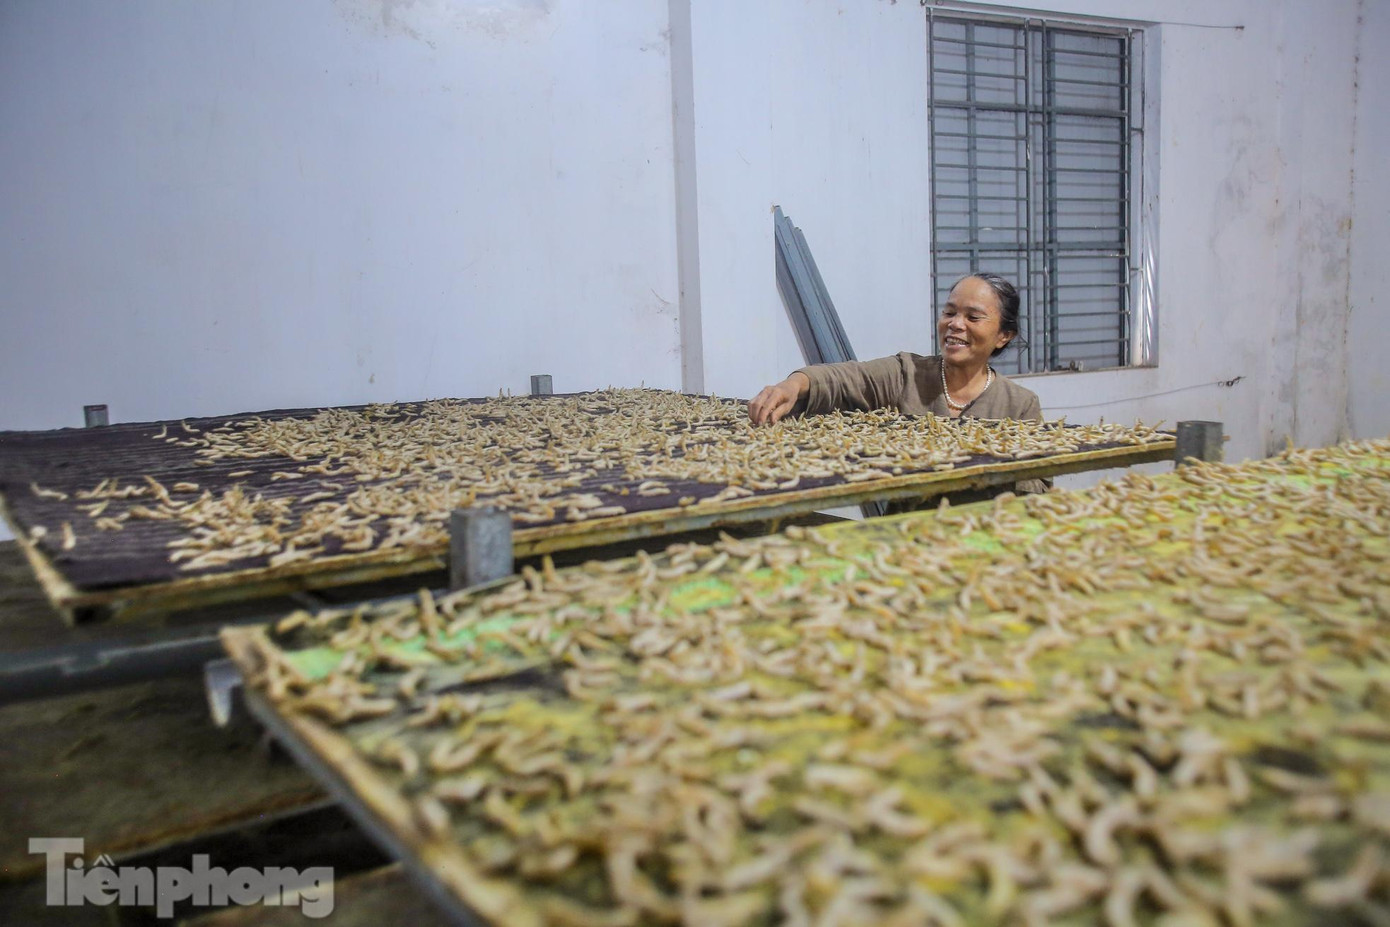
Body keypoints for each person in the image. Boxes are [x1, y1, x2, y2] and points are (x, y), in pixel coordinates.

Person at [747, 272, 1048, 496]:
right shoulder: (907, 375)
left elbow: (1037, 485)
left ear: (1003, 335)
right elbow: (845, 378)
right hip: (905, 536)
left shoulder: (1020, 404)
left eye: (973, 317)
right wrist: (792, 385)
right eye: (949, 312)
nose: (956, 323)